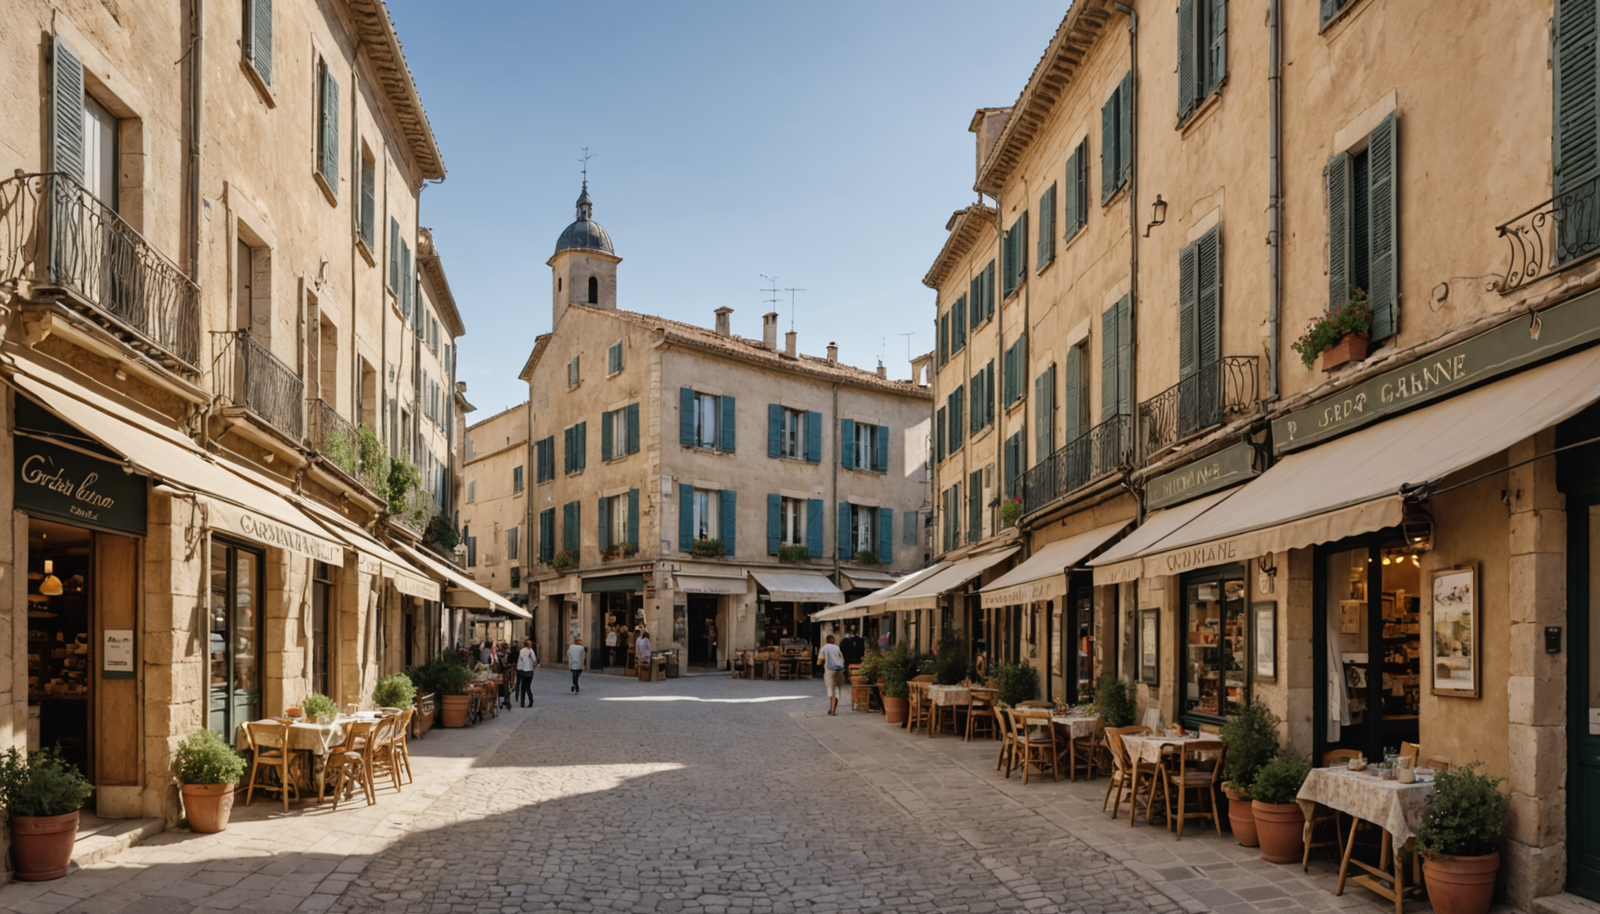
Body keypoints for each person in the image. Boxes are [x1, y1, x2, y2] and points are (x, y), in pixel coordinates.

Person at [818, 634, 847, 716]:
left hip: (829, 671)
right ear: (833, 640)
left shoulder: (824, 648)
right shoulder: (837, 648)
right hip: (839, 670)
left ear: (827, 640)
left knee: (831, 689)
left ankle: (832, 710)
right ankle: (833, 709)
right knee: (837, 689)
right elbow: (842, 659)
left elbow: (819, 661)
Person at [516, 639, 537, 707]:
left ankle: (524, 702)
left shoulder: (524, 651)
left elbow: (522, 659)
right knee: (527, 687)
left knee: (524, 687)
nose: (531, 645)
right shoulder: (530, 651)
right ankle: (530, 701)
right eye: (530, 644)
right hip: (529, 671)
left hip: (525, 670)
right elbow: (534, 659)